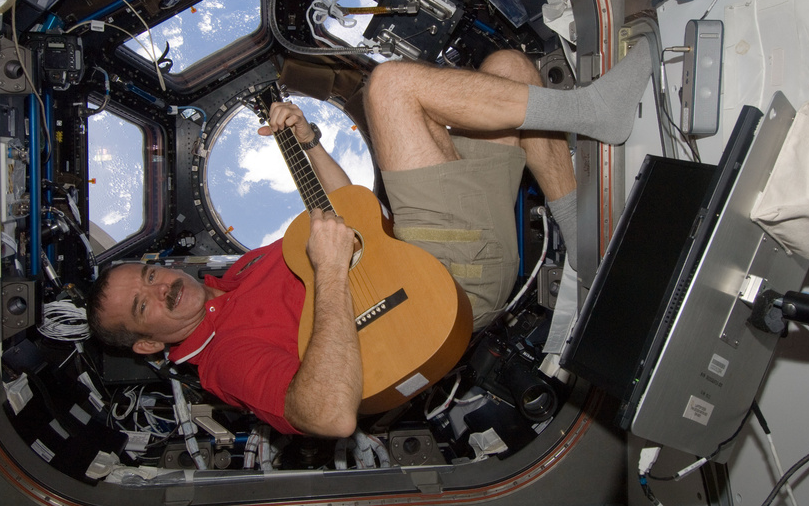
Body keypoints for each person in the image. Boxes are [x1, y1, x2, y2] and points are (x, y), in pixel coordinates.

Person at [87, 46, 652, 437]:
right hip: (437, 293)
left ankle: (583, 255)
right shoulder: (226, 364)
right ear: (146, 346)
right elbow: (329, 416)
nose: (161, 287)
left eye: (150, 274)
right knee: (389, 86)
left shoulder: (237, 275)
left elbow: (356, 217)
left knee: (508, 68)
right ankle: (597, 112)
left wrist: (307, 144)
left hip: (429, 257)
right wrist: (330, 274)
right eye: (144, 304)